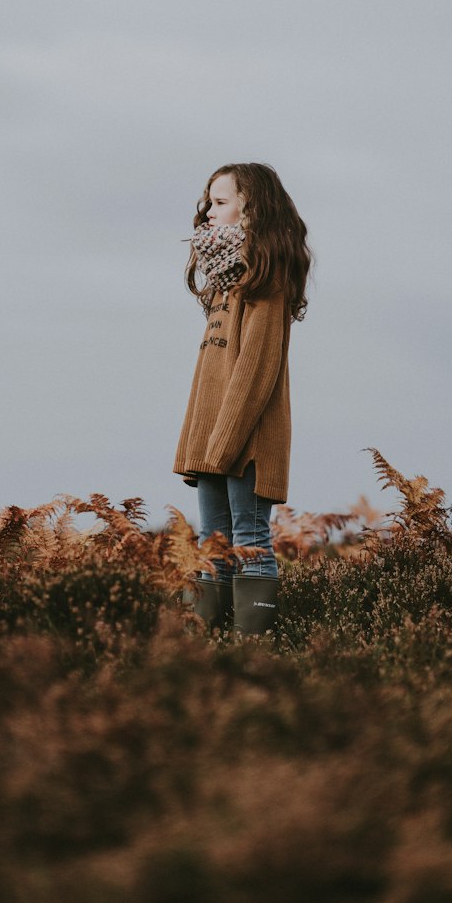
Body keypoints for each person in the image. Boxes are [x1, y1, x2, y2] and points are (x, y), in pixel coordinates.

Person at [174, 163, 312, 637]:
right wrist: (197, 447)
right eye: (208, 202)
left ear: (250, 210)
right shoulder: (222, 281)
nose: (208, 213)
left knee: (250, 539)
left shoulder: (266, 281)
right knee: (213, 541)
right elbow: (208, 376)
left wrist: (223, 444)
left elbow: (255, 372)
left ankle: (253, 650)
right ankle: (207, 645)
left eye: (220, 202)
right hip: (212, 439)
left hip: (247, 439)